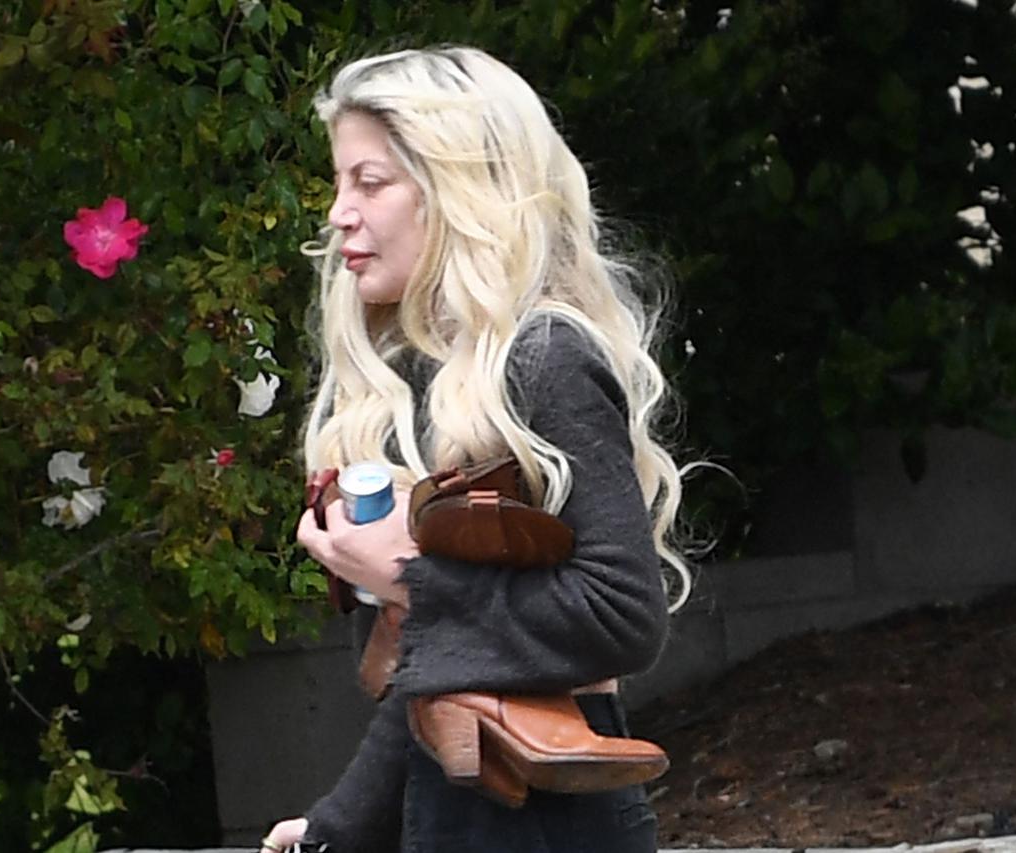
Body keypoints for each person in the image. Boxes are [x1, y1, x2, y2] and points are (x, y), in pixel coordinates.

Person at [261, 45, 693, 853]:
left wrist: (408, 576)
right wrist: (338, 828)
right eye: (339, 183)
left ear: (457, 188)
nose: (339, 213)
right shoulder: (434, 381)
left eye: (370, 182)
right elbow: (446, 673)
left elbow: (624, 617)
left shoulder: (545, 359)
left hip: (554, 823)